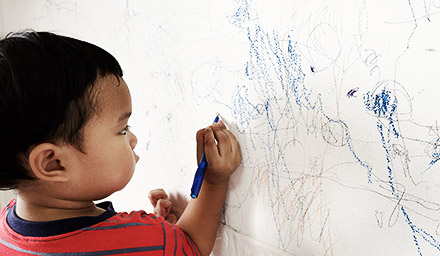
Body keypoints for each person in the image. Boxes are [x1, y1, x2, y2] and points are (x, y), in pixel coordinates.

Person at [0, 31, 241, 256]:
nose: (133, 139)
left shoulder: (6, 227)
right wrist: (212, 179)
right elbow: (191, 246)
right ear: (54, 163)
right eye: (122, 129)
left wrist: (148, 242)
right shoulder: (138, 239)